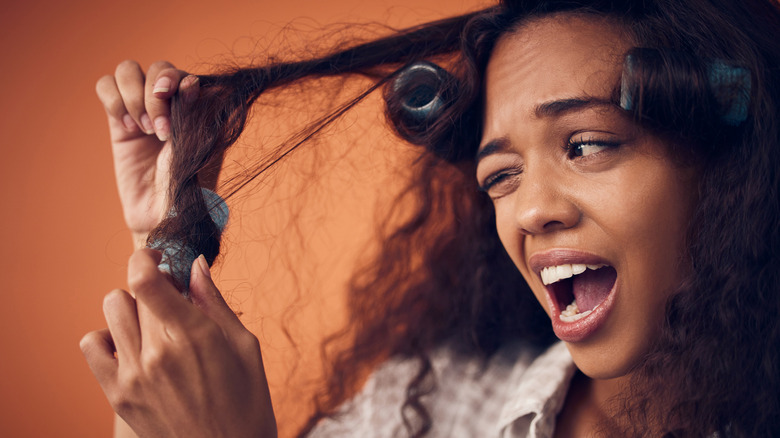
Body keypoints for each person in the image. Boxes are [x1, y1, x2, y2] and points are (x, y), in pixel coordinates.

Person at [81, 0, 780, 436]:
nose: (531, 211)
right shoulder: (434, 404)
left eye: (587, 144)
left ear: (731, 171)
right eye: (500, 176)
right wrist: (169, 232)